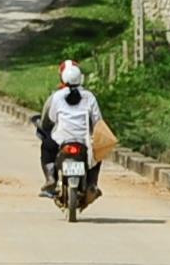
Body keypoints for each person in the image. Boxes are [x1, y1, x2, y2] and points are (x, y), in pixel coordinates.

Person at [38, 61, 116, 192]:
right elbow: (97, 121)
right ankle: (92, 183)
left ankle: (50, 178)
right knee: (98, 153)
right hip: (84, 141)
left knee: (46, 147)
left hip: (61, 141)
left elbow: (51, 118)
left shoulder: (57, 96)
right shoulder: (89, 97)